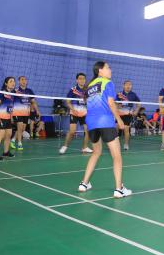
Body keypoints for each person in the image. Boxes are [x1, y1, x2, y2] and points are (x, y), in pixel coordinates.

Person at [78, 61, 131, 198]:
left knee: (96, 152)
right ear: (100, 70)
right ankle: (119, 189)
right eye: (108, 67)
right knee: (117, 156)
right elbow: (111, 103)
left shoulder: (89, 85)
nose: (110, 70)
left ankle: (84, 183)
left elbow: (89, 104)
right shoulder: (108, 83)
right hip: (105, 121)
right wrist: (119, 120)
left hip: (91, 123)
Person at [60, 73, 93, 154]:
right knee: (72, 131)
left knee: (88, 131)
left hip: (84, 113)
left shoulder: (88, 90)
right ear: (77, 80)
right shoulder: (73, 90)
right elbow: (68, 102)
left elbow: (90, 101)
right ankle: (65, 146)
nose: (82, 80)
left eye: (83, 78)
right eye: (80, 78)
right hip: (74, 113)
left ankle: (84, 147)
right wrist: (73, 109)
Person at [12, 76, 40, 151]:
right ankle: (19, 143)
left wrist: (37, 110)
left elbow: (33, 102)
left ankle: (13, 140)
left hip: (26, 112)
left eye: (25, 79)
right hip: (17, 112)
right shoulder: (15, 90)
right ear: (19, 81)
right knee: (20, 127)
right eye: (22, 79)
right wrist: (10, 114)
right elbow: (10, 102)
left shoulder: (29, 91)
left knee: (22, 129)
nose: (24, 81)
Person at [0, 77, 16, 160]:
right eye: (11, 81)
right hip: (1, 116)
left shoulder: (13, 93)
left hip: (8, 117)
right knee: (0, 136)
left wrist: (11, 117)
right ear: (6, 83)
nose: (13, 83)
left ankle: (6, 152)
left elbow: (11, 106)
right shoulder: (2, 92)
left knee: (8, 135)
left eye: (14, 81)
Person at [116, 80, 140, 151]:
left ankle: (126, 144)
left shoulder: (133, 94)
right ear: (123, 86)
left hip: (128, 114)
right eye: (127, 84)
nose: (128, 86)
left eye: (130, 85)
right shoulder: (119, 94)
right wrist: (118, 106)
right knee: (116, 128)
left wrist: (136, 110)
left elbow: (139, 104)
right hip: (119, 114)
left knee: (126, 129)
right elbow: (114, 103)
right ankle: (115, 144)